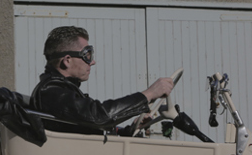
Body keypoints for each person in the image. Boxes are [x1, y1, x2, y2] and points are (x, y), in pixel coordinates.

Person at [30, 25, 173, 135]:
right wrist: (149, 94)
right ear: (67, 60)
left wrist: (130, 130)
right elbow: (98, 116)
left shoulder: (62, 91)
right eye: (87, 55)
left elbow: (89, 127)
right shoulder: (51, 92)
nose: (92, 62)